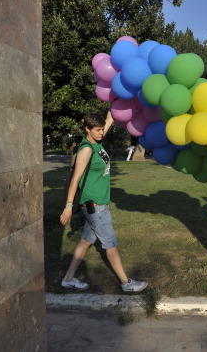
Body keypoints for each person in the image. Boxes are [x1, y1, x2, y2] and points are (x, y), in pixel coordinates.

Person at [59, 111, 148, 293]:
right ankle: (126, 283)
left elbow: (110, 119)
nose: (102, 132)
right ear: (87, 129)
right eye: (98, 130)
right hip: (95, 206)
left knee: (85, 242)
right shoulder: (86, 149)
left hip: (98, 204)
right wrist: (68, 207)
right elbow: (75, 179)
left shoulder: (96, 142)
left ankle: (68, 279)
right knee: (110, 243)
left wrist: (115, 101)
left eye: (102, 130)